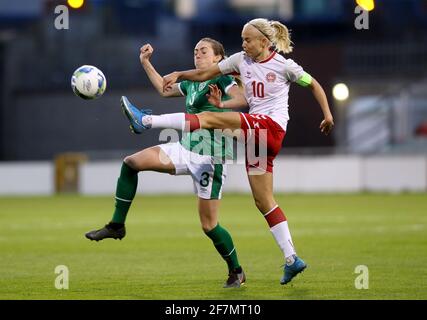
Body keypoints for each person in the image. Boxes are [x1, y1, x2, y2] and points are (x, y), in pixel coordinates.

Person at [120, 18, 334, 285]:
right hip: (256, 139)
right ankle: (292, 259)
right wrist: (181, 74)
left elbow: (313, 84)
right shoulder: (238, 60)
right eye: (242, 38)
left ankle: (147, 121)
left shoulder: (284, 65)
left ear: (264, 42)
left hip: (271, 127)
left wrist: (327, 114)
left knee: (210, 118)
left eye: (247, 39)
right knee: (264, 201)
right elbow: (203, 75)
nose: (243, 44)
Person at [86, 38, 247, 288]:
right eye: (195, 51)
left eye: (203, 51)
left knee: (209, 225)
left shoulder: (222, 77)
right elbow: (164, 88)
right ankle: (117, 225)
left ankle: (236, 271)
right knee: (131, 163)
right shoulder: (194, 82)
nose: (198, 55)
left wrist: (221, 104)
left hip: (211, 157)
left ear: (218, 58)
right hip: (184, 149)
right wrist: (146, 62)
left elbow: (241, 98)